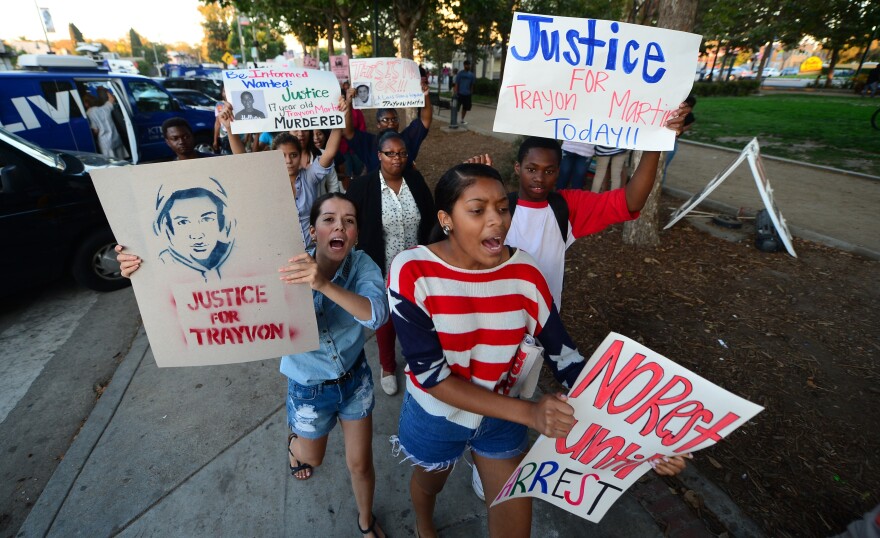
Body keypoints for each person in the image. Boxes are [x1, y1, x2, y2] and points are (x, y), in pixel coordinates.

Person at [387, 163, 688, 538]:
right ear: (446, 219)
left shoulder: (525, 272)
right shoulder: (411, 270)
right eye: (478, 210)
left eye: (502, 207)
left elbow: (566, 358)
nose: (497, 220)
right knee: (430, 483)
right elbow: (433, 378)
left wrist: (644, 437)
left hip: (503, 418)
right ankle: (424, 526)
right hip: (437, 415)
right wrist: (530, 414)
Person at [115, 192, 389, 538]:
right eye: (329, 219)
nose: (340, 226)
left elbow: (376, 315)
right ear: (312, 230)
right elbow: (218, 276)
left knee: (361, 463)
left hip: (355, 382)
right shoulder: (282, 264)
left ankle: (365, 521)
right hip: (309, 387)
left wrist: (323, 283)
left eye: (349, 221)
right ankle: (294, 444)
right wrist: (145, 269)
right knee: (312, 458)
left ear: (356, 235)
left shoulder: (363, 265)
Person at [346, 131, 434, 396]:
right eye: (390, 153)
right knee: (386, 318)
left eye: (402, 153)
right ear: (379, 156)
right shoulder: (363, 186)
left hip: (416, 266)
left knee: (415, 315)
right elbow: (350, 221)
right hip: (383, 265)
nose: (397, 159)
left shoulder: (415, 181)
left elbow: (430, 217)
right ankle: (387, 366)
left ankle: (417, 359)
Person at [218, 99, 345, 248]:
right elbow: (243, 159)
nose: (288, 160)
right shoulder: (266, 179)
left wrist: (338, 119)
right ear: (273, 155)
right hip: (277, 251)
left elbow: (329, 153)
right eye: (282, 155)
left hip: (311, 252)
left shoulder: (309, 176)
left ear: (300, 156)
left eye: (293, 155)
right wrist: (229, 128)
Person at [153, 177, 235, 282]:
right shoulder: (161, 264)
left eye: (206, 219)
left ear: (221, 221)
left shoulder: (243, 252)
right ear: (169, 226)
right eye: (183, 222)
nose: (197, 234)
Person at [342, 82, 432, 173]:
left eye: (394, 119)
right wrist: (348, 103)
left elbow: (425, 121)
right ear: (378, 124)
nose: (391, 123)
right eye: (385, 120)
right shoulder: (368, 143)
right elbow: (348, 133)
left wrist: (425, 95)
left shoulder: (407, 138)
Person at [291, 129, 341, 195]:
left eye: (305, 130)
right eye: (295, 130)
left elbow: (333, 185)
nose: (301, 134)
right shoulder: (281, 159)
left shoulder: (322, 154)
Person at [83, 91, 129, 159]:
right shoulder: (105, 108)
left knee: (111, 161)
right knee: (121, 159)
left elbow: (96, 130)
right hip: (116, 138)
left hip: (105, 142)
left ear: (86, 103)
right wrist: (106, 90)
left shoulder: (89, 113)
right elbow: (112, 99)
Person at [453, 60, 476, 124]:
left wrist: (471, 93)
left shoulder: (471, 75)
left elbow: (472, 85)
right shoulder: (460, 74)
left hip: (467, 94)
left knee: (465, 108)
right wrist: (455, 92)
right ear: (464, 65)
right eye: (467, 65)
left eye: (469, 65)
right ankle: (454, 119)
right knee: (456, 107)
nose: (468, 66)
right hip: (460, 93)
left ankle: (462, 120)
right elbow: (457, 84)